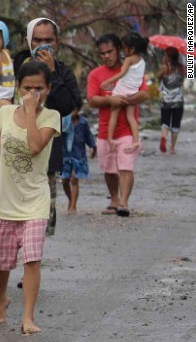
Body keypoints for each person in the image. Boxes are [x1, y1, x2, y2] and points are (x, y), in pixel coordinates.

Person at [0, 61, 60, 335]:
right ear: (17, 88)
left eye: (38, 88)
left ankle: (28, 317)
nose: (32, 93)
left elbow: (35, 147)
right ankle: (1, 299)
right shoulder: (5, 113)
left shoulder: (51, 117)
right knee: (2, 260)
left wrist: (32, 112)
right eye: (26, 88)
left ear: (47, 89)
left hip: (35, 199)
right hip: (4, 199)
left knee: (32, 259)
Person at [13, 17, 81, 237]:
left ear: (57, 42)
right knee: (9, 219)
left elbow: (68, 106)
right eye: (37, 40)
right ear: (27, 41)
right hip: (10, 154)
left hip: (46, 156)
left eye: (48, 40)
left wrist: (53, 74)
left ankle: (31, 265)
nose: (43, 45)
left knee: (39, 222)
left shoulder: (63, 71)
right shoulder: (12, 66)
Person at [87, 33, 148, 217]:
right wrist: (111, 100)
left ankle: (124, 203)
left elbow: (144, 94)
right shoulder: (95, 74)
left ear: (119, 49)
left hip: (128, 130)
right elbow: (91, 100)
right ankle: (114, 199)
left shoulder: (133, 67)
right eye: (102, 53)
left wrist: (127, 99)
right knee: (109, 169)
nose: (106, 56)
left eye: (110, 51)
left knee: (125, 166)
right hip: (106, 130)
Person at [99, 32, 148, 153]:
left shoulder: (129, 59)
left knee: (113, 114)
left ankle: (110, 139)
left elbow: (121, 74)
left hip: (121, 90)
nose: (122, 51)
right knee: (131, 117)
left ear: (131, 49)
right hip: (133, 92)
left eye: (124, 48)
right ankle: (136, 140)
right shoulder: (142, 61)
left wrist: (107, 81)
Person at [60, 103, 97, 215]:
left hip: (78, 156)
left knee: (74, 179)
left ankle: (73, 206)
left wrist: (93, 148)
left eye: (74, 109)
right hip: (65, 156)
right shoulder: (63, 123)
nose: (72, 112)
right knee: (65, 181)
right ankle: (71, 200)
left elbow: (88, 137)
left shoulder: (83, 123)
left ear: (78, 109)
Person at [157, 46, 186, 154]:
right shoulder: (182, 68)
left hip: (166, 100)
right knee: (176, 124)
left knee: (165, 122)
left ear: (168, 57)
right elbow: (182, 83)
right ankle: (172, 148)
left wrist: (163, 67)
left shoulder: (166, 68)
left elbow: (158, 76)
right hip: (178, 100)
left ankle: (163, 137)